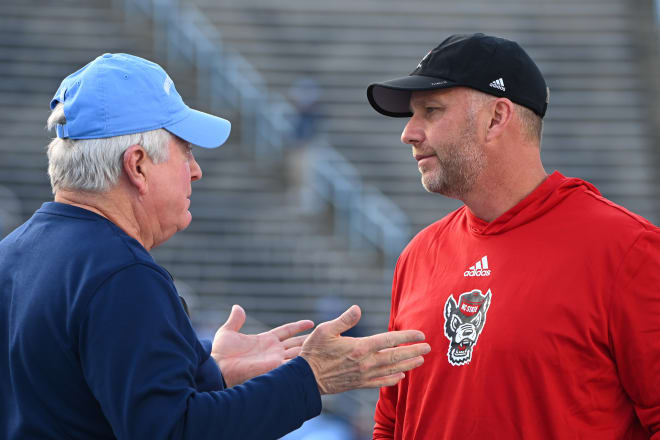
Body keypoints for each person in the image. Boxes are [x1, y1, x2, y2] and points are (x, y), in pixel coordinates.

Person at [0, 53, 431, 440]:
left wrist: (210, 375)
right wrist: (311, 377)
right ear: (137, 165)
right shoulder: (121, 274)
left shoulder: (12, 254)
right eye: (184, 151)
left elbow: (85, 405)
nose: (196, 170)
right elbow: (175, 432)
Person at [366, 33, 660, 439]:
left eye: (431, 110)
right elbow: (391, 423)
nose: (409, 133)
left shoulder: (628, 250)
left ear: (496, 118)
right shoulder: (418, 255)